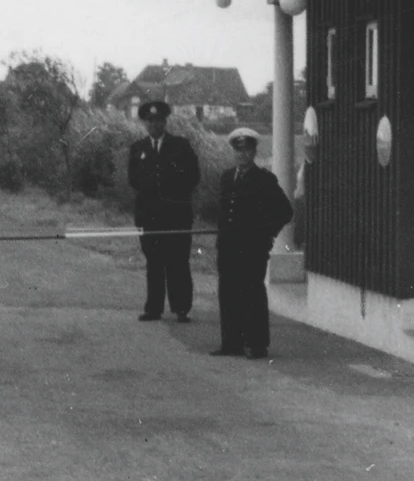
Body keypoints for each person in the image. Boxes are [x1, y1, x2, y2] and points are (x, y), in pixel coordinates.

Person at [212, 126, 292, 359]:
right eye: (238, 150)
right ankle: (231, 343)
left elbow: (285, 211)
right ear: (233, 152)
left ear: (254, 152)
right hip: (228, 246)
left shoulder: (264, 179)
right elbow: (224, 211)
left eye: (247, 150)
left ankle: (257, 344)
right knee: (228, 293)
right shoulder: (227, 177)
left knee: (252, 294)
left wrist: (266, 235)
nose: (242, 155)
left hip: (252, 248)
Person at [125, 99, 200, 322]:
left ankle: (181, 308)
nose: (154, 125)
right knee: (154, 263)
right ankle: (153, 309)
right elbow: (133, 180)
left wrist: (172, 196)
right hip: (149, 216)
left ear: (165, 122)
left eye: (158, 121)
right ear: (145, 124)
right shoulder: (138, 148)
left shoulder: (181, 146)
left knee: (178, 262)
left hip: (176, 216)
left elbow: (193, 177)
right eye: (150, 121)